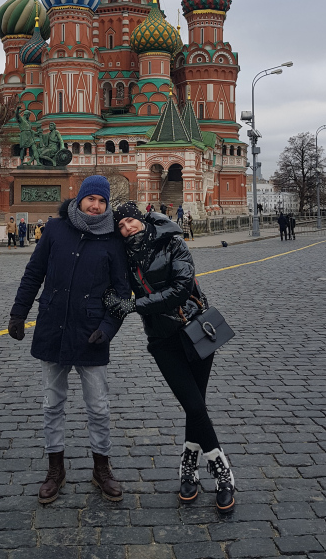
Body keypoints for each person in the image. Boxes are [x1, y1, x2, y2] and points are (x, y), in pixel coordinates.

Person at [8, 175, 132, 505]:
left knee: (98, 407)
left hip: (92, 334)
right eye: (91, 199)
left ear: (107, 205)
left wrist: (108, 328)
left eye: (102, 201)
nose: (96, 205)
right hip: (54, 327)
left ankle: (101, 468)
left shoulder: (112, 239)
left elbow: (122, 293)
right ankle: (55, 470)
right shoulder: (55, 229)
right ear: (79, 199)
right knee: (52, 404)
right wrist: (18, 312)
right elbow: (34, 272)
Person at [105, 202, 235, 513]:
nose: (126, 229)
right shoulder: (123, 255)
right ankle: (220, 471)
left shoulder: (174, 242)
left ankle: (194, 467)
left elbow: (181, 288)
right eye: (120, 226)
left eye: (130, 223)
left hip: (194, 331)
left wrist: (135, 305)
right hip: (162, 339)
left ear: (141, 220)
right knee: (193, 404)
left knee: (195, 406)